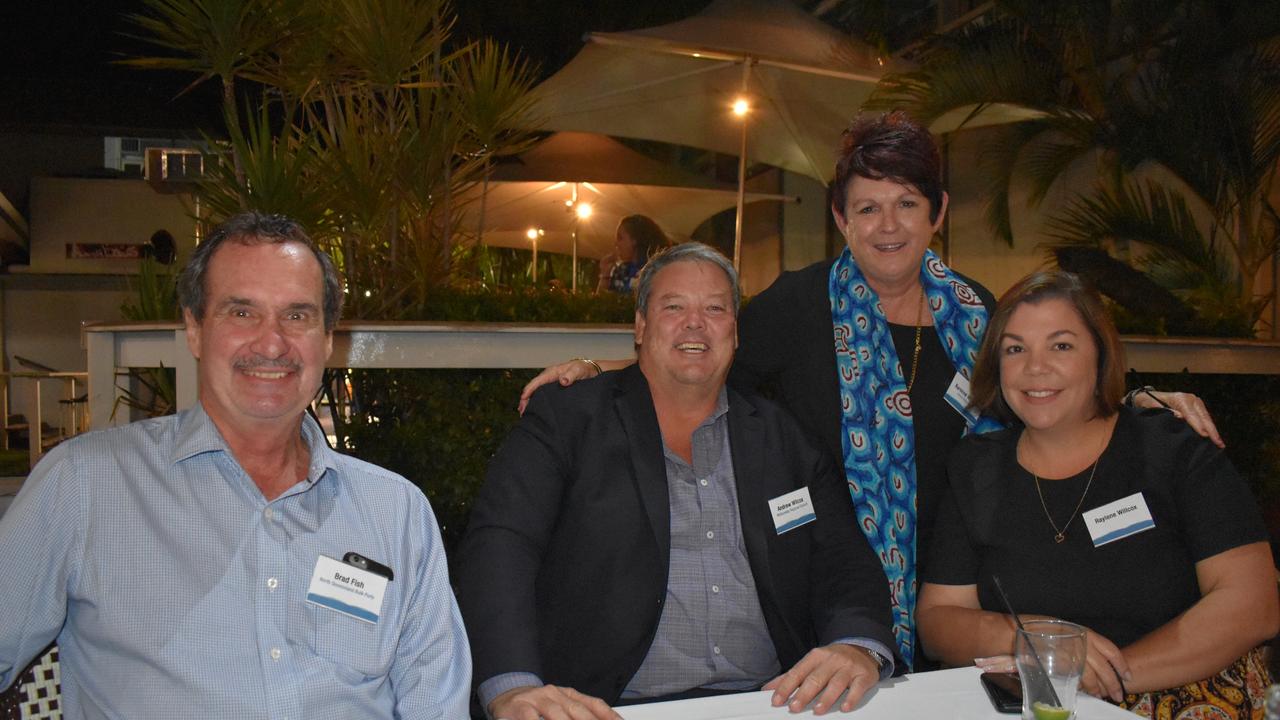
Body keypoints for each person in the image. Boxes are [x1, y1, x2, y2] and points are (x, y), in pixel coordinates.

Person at [517, 111, 1222, 669]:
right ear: (840, 217)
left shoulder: (976, 313)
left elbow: (1045, 391)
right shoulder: (796, 308)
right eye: (868, 208)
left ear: (937, 212)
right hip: (828, 589)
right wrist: (601, 372)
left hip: (969, 586)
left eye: (907, 204)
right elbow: (697, 360)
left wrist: (1135, 402)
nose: (889, 226)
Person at [0, 212, 471, 718]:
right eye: (242, 313)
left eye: (297, 315)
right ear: (194, 329)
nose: (271, 344)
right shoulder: (85, 485)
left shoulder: (395, 512)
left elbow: (435, 706)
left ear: (327, 339)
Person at [459, 243, 896, 720]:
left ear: (734, 331)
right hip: (605, 707)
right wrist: (512, 685)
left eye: (715, 308)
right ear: (641, 327)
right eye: (674, 307)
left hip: (770, 702)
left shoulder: (780, 436)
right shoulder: (570, 420)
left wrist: (858, 645)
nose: (695, 322)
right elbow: (500, 546)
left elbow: (843, 558)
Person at [917, 270, 1277, 718]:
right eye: (1015, 349)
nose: (1035, 367)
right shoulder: (976, 466)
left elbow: (1252, 604)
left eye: (1061, 345)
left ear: (1101, 356)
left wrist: (1100, 676)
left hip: (1187, 699)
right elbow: (937, 621)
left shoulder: (1172, 449)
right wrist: (1027, 637)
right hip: (1041, 703)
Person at [595, 214, 669, 293]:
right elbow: (599, 302)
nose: (616, 244)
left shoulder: (656, 271)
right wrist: (605, 274)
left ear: (635, 240)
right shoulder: (621, 271)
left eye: (620, 238)